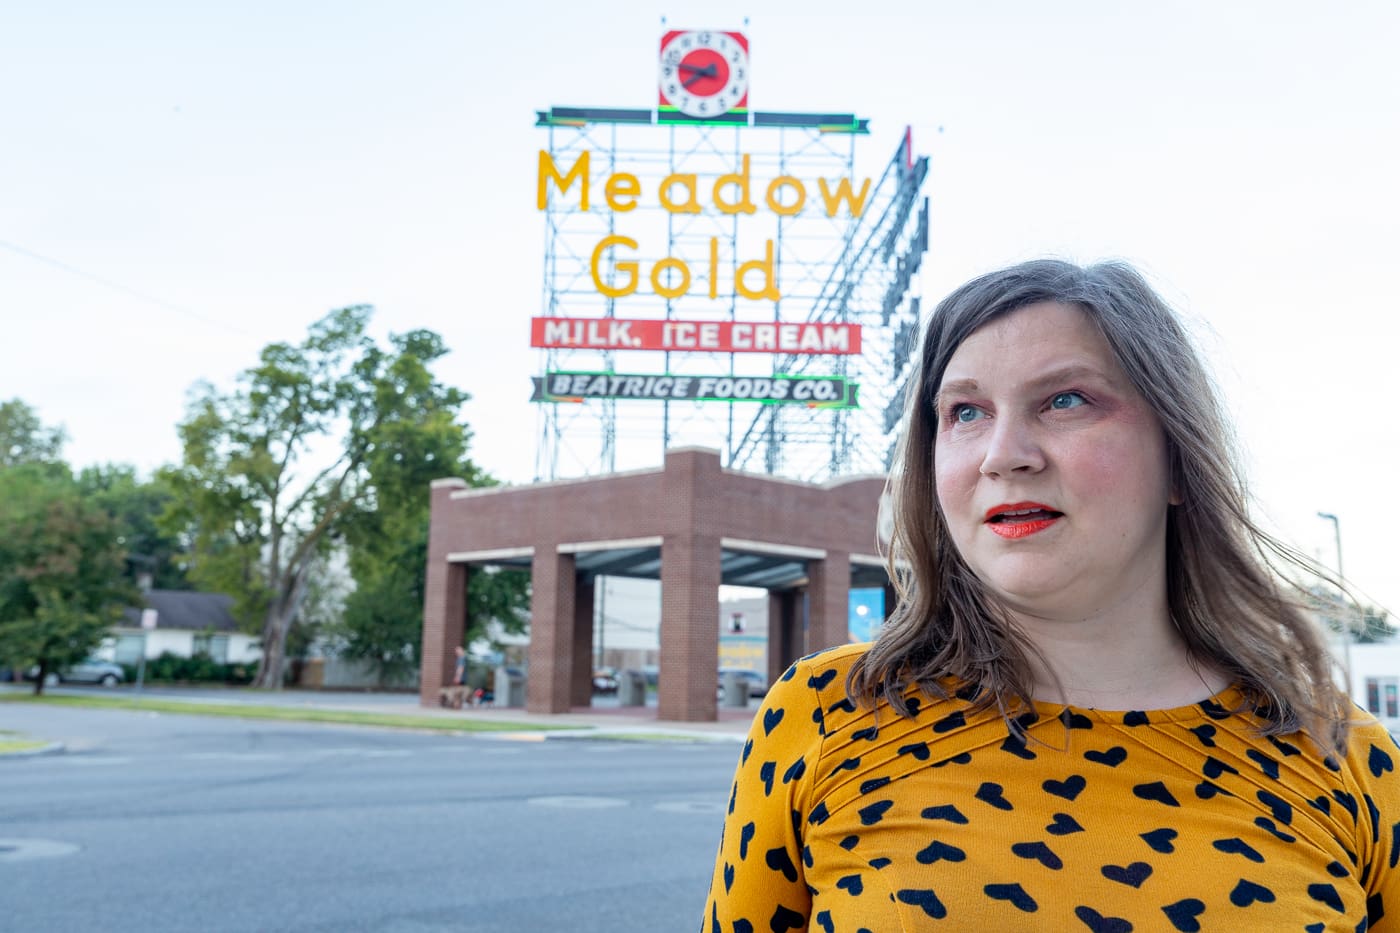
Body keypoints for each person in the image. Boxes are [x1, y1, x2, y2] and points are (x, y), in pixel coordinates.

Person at [702, 259, 1400, 932]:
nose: (1003, 453)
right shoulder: (827, 714)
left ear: (1178, 461)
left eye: (1065, 400)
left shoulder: (1350, 761)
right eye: (966, 411)